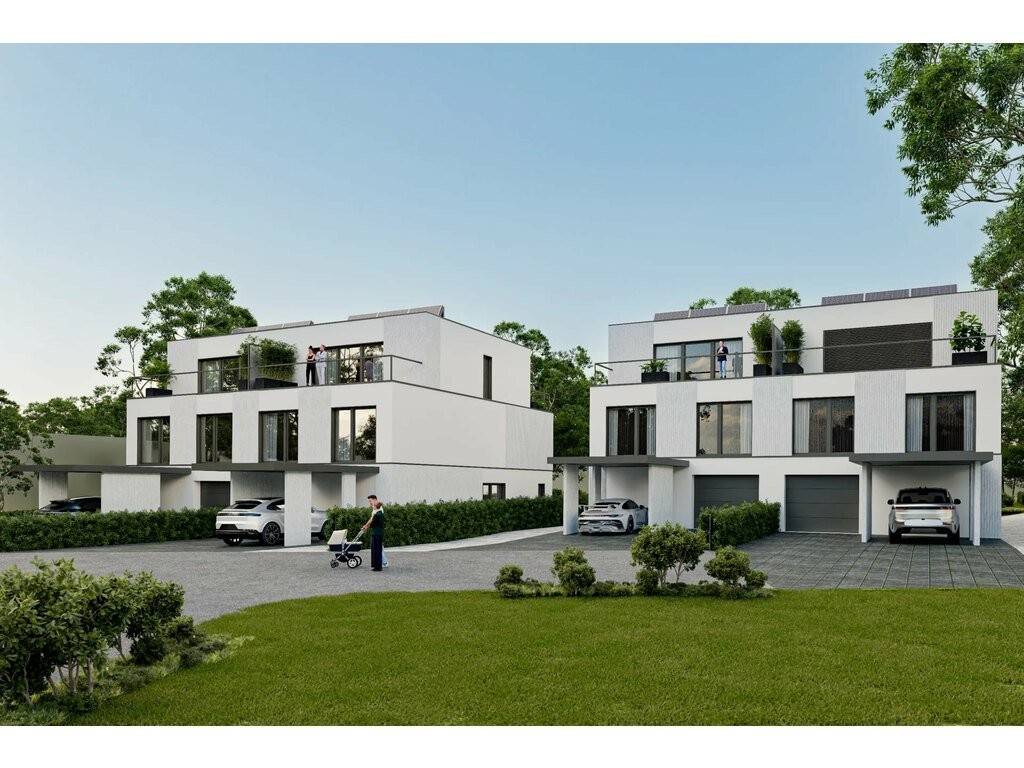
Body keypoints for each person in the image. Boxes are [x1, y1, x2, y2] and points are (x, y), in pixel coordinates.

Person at [359, 495, 387, 571]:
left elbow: (373, 521)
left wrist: (366, 527)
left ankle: (381, 564)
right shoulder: (376, 509)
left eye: (370, 501)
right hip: (377, 532)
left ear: (375, 500)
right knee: (378, 549)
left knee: (378, 549)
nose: (370, 503)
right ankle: (381, 564)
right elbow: (372, 519)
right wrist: (365, 526)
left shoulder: (379, 510)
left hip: (377, 532)